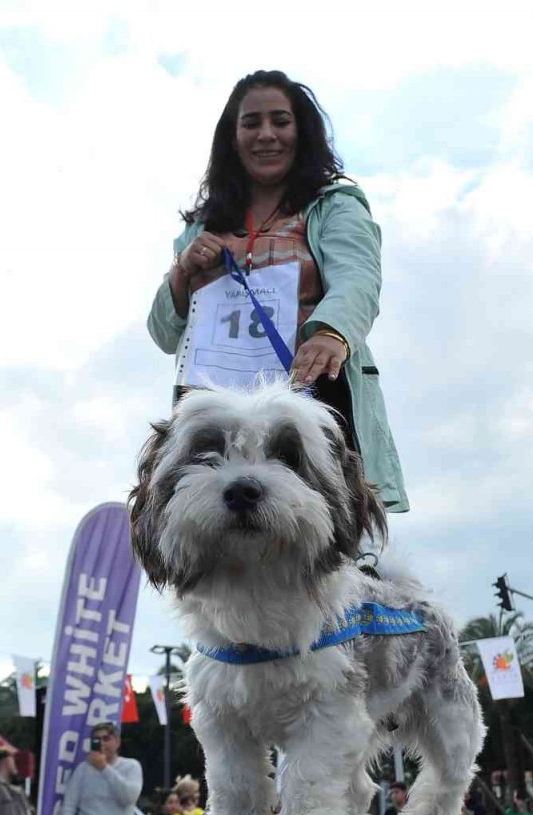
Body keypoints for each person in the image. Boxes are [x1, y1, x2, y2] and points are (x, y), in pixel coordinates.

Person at [147, 69, 409, 512]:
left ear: (301, 131)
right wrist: (181, 271)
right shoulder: (201, 225)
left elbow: (358, 278)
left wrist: (331, 333)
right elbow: (163, 332)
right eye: (251, 123)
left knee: (328, 554)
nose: (266, 134)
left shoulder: (334, 205)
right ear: (232, 137)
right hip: (215, 416)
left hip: (310, 402)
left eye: (280, 121)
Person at [59, 721, 143, 815]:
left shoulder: (131, 766)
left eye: (106, 739)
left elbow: (129, 797)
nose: (102, 743)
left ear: (117, 742)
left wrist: (104, 768)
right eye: (97, 740)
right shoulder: (82, 770)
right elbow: (68, 808)